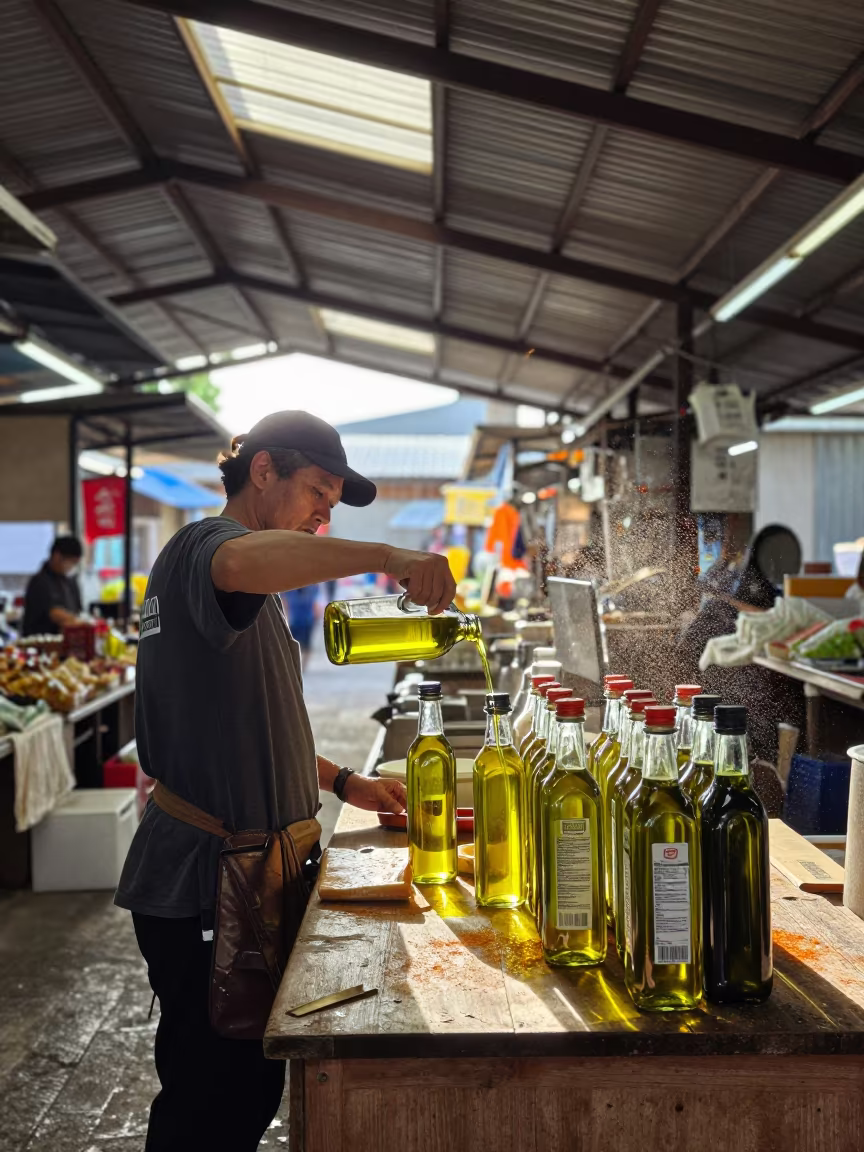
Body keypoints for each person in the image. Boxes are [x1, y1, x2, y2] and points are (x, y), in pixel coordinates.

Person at [114, 410, 456, 1152]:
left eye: (332, 506)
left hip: (247, 868)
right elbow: (242, 560)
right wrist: (388, 556)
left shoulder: (255, 597)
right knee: (212, 1094)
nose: (320, 516)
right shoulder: (205, 549)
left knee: (246, 1082)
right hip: (205, 877)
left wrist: (347, 783)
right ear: (261, 470)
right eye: (315, 492)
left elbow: (252, 726)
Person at [21, 535, 83, 636]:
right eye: (71, 561)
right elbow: (54, 613)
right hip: (40, 642)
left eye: (75, 563)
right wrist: (77, 621)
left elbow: (78, 610)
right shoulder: (40, 581)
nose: (71, 566)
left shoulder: (69, 582)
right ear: (57, 556)